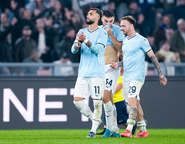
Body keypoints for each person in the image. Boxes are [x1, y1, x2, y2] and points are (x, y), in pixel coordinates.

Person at [110, 15, 167, 138]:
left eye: (123, 26)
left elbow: (153, 57)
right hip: (127, 77)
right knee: (135, 103)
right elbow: (127, 60)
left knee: (131, 102)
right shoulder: (125, 41)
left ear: (131, 26)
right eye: (120, 26)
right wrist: (118, 64)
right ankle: (143, 130)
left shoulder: (142, 40)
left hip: (137, 76)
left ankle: (129, 129)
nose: (121, 28)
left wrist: (161, 74)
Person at [71, 8, 107, 138]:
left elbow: (98, 50)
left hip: (97, 73)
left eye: (91, 14)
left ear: (98, 18)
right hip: (83, 73)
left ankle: (92, 131)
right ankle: (95, 120)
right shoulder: (81, 32)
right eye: (87, 14)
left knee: (97, 103)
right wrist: (78, 44)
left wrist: (85, 41)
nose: (88, 15)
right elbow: (73, 51)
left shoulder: (102, 33)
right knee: (77, 101)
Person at [100, 10, 124, 138]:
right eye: (106, 21)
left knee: (105, 97)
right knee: (107, 100)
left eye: (111, 21)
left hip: (112, 67)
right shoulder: (97, 30)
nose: (108, 23)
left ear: (114, 20)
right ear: (101, 20)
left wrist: (111, 35)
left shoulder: (117, 30)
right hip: (99, 69)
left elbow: (120, 49)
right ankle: (114, 129)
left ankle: (109, 129)